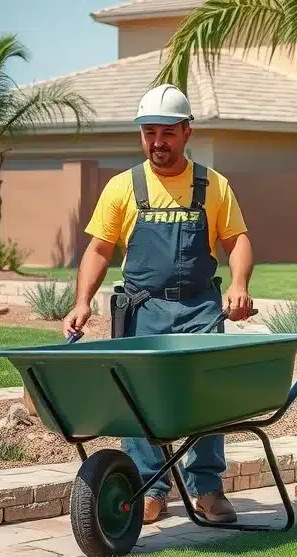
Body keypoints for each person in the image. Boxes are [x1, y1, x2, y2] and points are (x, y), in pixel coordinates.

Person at [62, 84, 255, 525]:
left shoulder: (213, 185)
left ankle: (207, 489)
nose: (157, 142)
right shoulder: (122, 187)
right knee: (140, 402)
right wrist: (81, 302)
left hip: (200, 310)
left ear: (186, 132)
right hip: (143, 312)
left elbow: (237, 240)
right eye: (149, 132)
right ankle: (149, 489)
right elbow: (98, 249)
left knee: (206, 398)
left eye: (167, 132)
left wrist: (239, 284)